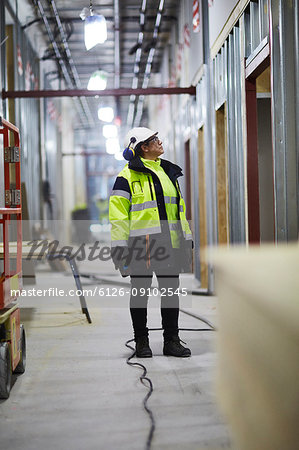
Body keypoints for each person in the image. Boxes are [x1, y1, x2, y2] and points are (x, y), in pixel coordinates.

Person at [109, 127, 193, 358]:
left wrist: (186, 239)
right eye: (155, 139)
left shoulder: (167, 171)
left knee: (170, 293)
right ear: (143, 147)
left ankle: (171, 341)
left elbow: (179, 209)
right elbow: (118, 216)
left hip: (169, 243)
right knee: (139, 294)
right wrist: (119, 247)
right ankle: (141, 341)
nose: (160, 141)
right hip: (140, 245)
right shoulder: (126, 177)